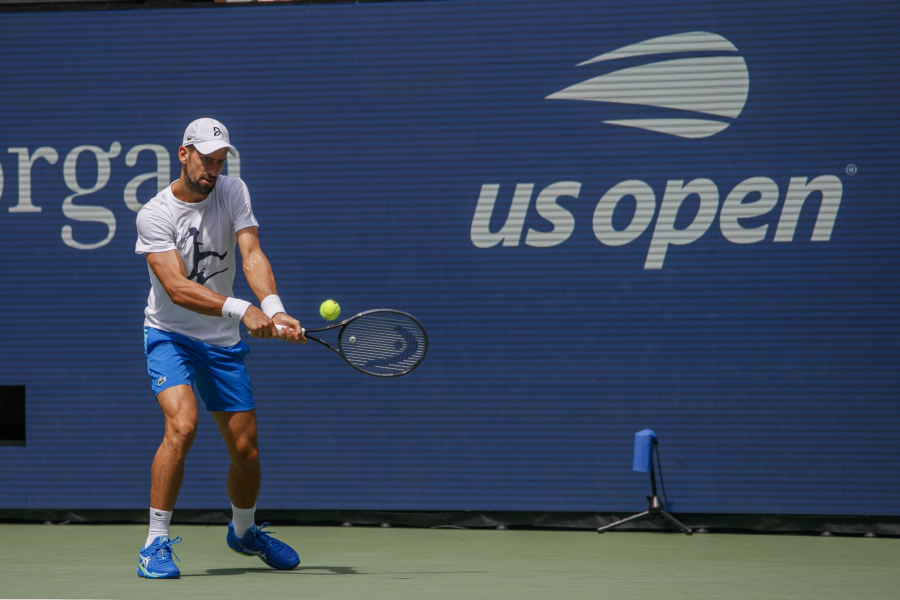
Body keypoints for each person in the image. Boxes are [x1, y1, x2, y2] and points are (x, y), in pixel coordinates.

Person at [134, 118, 305, 579]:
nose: (213, 168)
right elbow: (175, 288)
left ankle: (244, 531)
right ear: (183, 154)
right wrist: (242, 309)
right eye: (205, 159)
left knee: (246, 452)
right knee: (182, 425)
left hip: (221, 343)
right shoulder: (154, 214)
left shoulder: (233, 191)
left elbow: (250, 254)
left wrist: (274, 308)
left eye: (220, 160)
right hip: (170, 335)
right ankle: (154, 543)